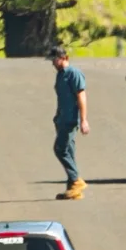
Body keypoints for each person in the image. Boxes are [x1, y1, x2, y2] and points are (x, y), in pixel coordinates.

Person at [49, 43, 89, 200]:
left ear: (64, 58)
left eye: (55, 59)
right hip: (62, 119)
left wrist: (84, 120)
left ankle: (76, 180)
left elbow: (81, 97)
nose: (53, 63)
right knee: (69, 152)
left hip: (71, 120)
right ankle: (73, 190)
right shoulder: (60, 74)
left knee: (60, 149)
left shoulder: (74, 73)